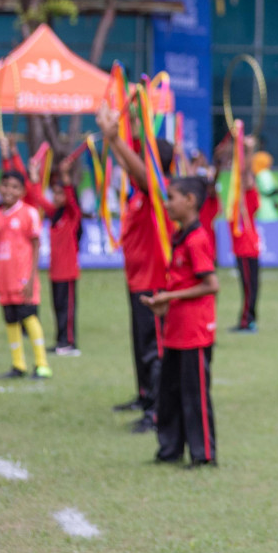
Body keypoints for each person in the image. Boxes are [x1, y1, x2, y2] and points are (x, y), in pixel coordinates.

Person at [95, 103, 175, 432]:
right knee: (140, 344)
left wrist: (114, 141)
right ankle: (145, 397)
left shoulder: (160, 191)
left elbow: (144, 173)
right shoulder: (138, 195)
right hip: (137, 280)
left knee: (154, 349)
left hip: (155, 282)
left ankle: (157, 411)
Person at [146, 177, 219, 467]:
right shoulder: (180, 236)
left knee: (195, 396)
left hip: (195, 332)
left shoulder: (198, 239)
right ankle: (170, 449)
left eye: (172, 197)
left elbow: (211, 284)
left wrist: (170, 296)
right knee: (170, 393)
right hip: (175, 330)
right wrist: (164, 302)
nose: (167, 204)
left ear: (190, 200)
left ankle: (203, 456)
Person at [0, 169, 51, 379]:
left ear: (22, 191)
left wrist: (32, 278)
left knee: (29, 317)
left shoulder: (28, 213)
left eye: (14, 187)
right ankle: (18, 365)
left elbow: (36, 246)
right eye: (5, 185)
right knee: (10, 320)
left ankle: (42, 365)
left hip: (23, 279)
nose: (8, 191)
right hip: (4, 279)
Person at [29, 156, 83, 356]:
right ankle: (61, 341)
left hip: (68, 272)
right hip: (55, 272)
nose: (56, 196)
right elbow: (38, 198)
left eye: (60, 193)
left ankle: (69, 343)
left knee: (67, 311)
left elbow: (70, 198)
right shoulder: (54, 214)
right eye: (55, 193)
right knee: (58, 308)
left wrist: (65, 175)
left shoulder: (72, 215)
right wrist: (35, 176)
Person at [223, 136, 263, 333]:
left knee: (249, 287)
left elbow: (245, 171)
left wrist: (247, 150)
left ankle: (247, 321)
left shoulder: (249, 196)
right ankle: (248, 319)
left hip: (247, 248)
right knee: (249, 286)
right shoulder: (240, 198)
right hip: (245, 247)